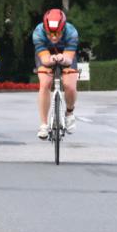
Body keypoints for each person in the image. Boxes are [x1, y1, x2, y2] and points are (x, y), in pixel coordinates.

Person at [32, 8, 79, 139]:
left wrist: (64, 58)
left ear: (63, 29)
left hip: (66, 53)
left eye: (57, 33)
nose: (53, 37)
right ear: (44, 30)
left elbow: (69, 57)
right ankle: (43, 124)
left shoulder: (72, 32)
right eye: (49, 33)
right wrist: (49, 59)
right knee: (45, 83)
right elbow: (45, 58)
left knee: (69, 85)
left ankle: (69, 114)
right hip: (46, 53)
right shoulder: (38, 32)